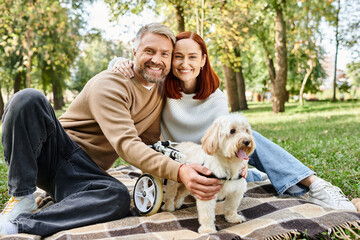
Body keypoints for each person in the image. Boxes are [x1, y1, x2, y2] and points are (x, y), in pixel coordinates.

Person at [0, 23, 223, 237]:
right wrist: (180, 170)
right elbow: (127, 144)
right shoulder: (111, 84)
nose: (157, 59)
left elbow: (154, 141)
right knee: (28, 98)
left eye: (165, 54)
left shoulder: (159, 91)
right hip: (55, 151)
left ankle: (22, 225)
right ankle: (21, 196)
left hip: (83, 176)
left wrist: (210, 161)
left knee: (116, 196)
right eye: (149, 51)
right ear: (134, 51)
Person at [110, 31, 357, 212]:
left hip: (216, 160)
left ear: (203, 60)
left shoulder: (216, 98)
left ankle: (315, 186)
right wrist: (119, 63)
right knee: (253, 172)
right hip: (183, 160)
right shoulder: (162, 87)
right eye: (178, 57)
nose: (185, 64)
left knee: (251, 137)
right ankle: (262, 176)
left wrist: (243, 159)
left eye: (192, 57)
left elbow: (228, 139)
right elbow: (143, 68)